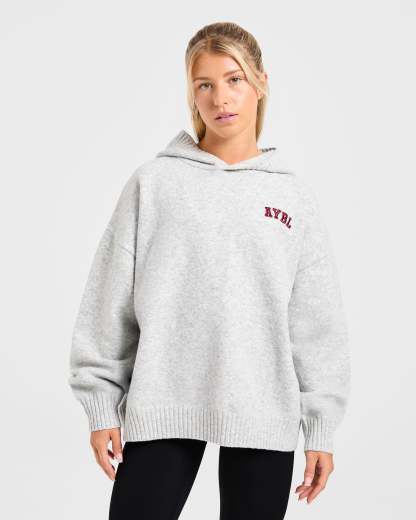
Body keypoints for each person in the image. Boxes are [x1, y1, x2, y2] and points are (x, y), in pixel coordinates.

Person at [68, 21, 351, 519]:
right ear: (191, 94)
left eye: (234, 79)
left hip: (263, 412)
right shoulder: (154, 183)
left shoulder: (291, 197)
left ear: (260, 83)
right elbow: (109, 299)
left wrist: (321, 430)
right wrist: (100, 403)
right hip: (164, 402)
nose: (220, 98)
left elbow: (316, 324)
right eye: (205, 84)